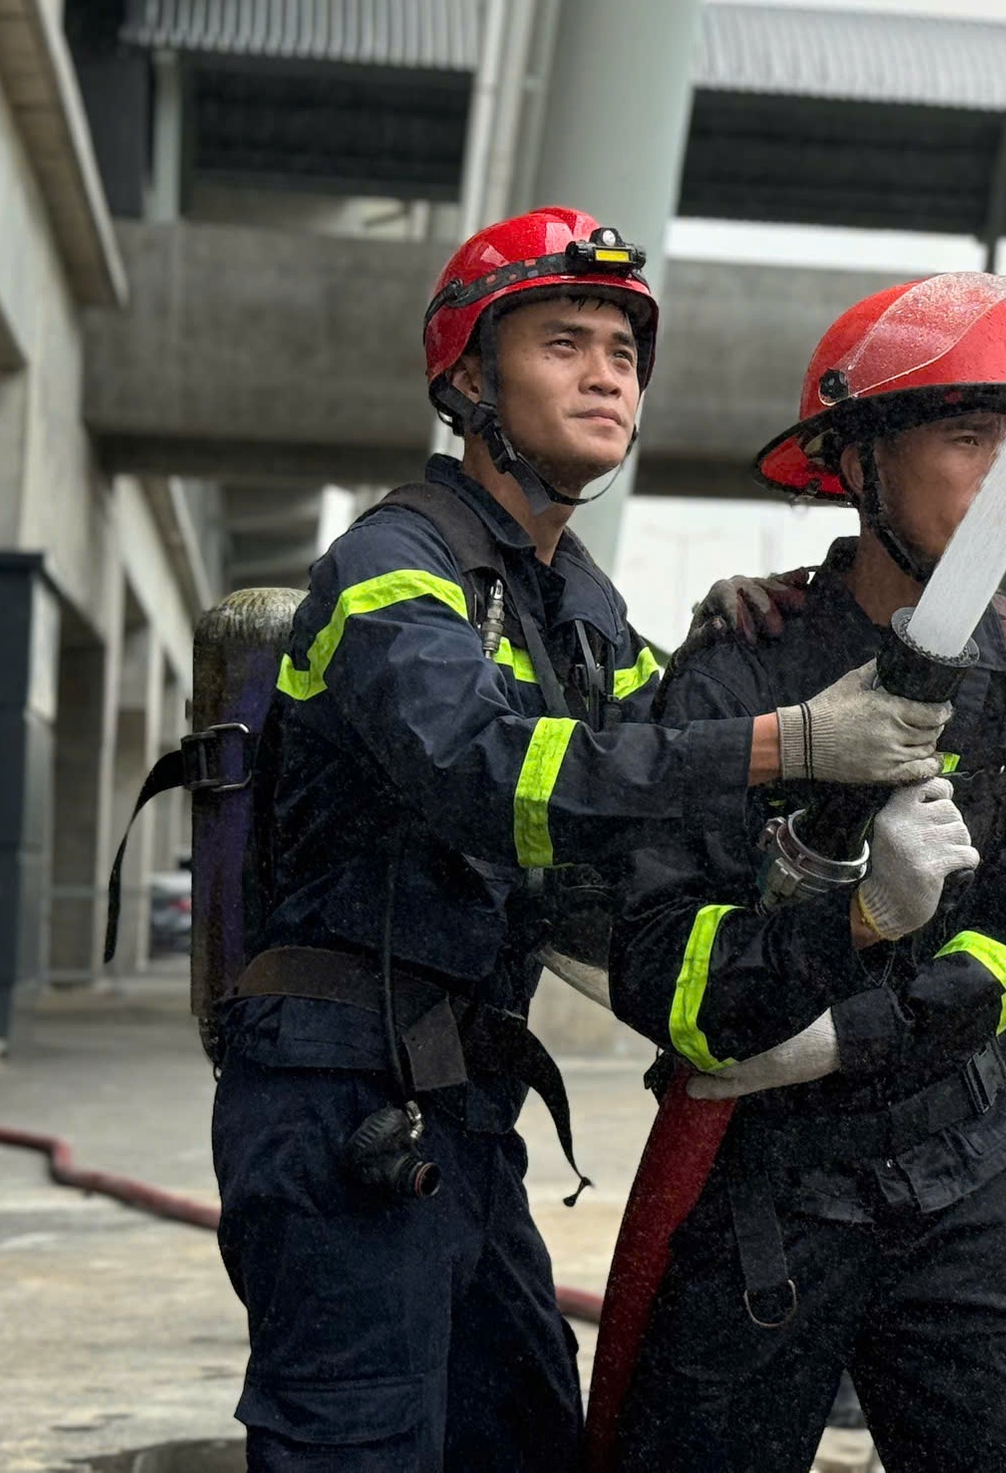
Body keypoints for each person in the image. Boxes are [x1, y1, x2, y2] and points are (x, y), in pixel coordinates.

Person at [210, 208, 949, 1472]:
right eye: (564, 342)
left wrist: (736, 651)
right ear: (465, 380)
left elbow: (658, 777)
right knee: (356, 1445)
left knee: (529, 1437)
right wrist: (785, 739)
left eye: (623, 350)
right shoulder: (395, 567)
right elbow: (492, 773)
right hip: (338, 1103)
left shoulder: (572, 599)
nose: (607, 371)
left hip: (459, 1112)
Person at [599, 272, 1006, 1473]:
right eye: (966, 435)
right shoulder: (738, 675)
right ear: (858, 462)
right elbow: (672, 975)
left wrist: (839, 1035)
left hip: (968, 1173)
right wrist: (853, 921)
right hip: (766, 1184)